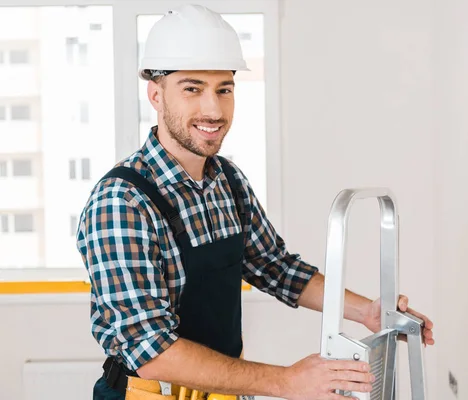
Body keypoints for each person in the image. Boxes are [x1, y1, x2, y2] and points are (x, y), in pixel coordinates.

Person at [76, 4, 434, 400]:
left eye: (224, 90)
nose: (213, 109)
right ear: (156, 95)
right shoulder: (122, 202)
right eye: (192, 89)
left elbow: (276, 268)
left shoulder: (228, 180)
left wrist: (367, 311)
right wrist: (288, 382)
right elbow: (150, 350)